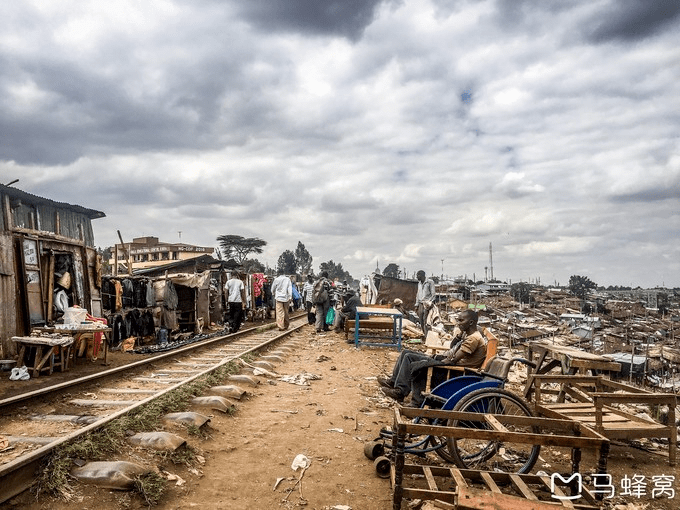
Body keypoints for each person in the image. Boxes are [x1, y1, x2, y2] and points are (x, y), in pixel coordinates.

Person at [378, 309, 487, 407]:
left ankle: (402, 393)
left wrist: (433, 360)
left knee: (417, 364)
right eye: (458, 320)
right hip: (449, 362)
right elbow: (452, 347)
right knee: (406, 352)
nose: (458, 324)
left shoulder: (473, 339)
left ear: (471, 322)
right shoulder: (468, 335)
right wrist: (459, 336)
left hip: (455, 371)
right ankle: (393, 382)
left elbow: (453, 360)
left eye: (461, 321)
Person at [415, 270, 436, 338]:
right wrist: (416, 304)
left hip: (427, 304)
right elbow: (418, 294)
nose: (417, 277)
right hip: (421, 304)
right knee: (420, 319)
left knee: (426, 320)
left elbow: (433, 294)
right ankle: (424, 334)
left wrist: (429, 303)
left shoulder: (430, 282)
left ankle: (427, 336)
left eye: (418, 275)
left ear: (422, 276)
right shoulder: (419, 283)